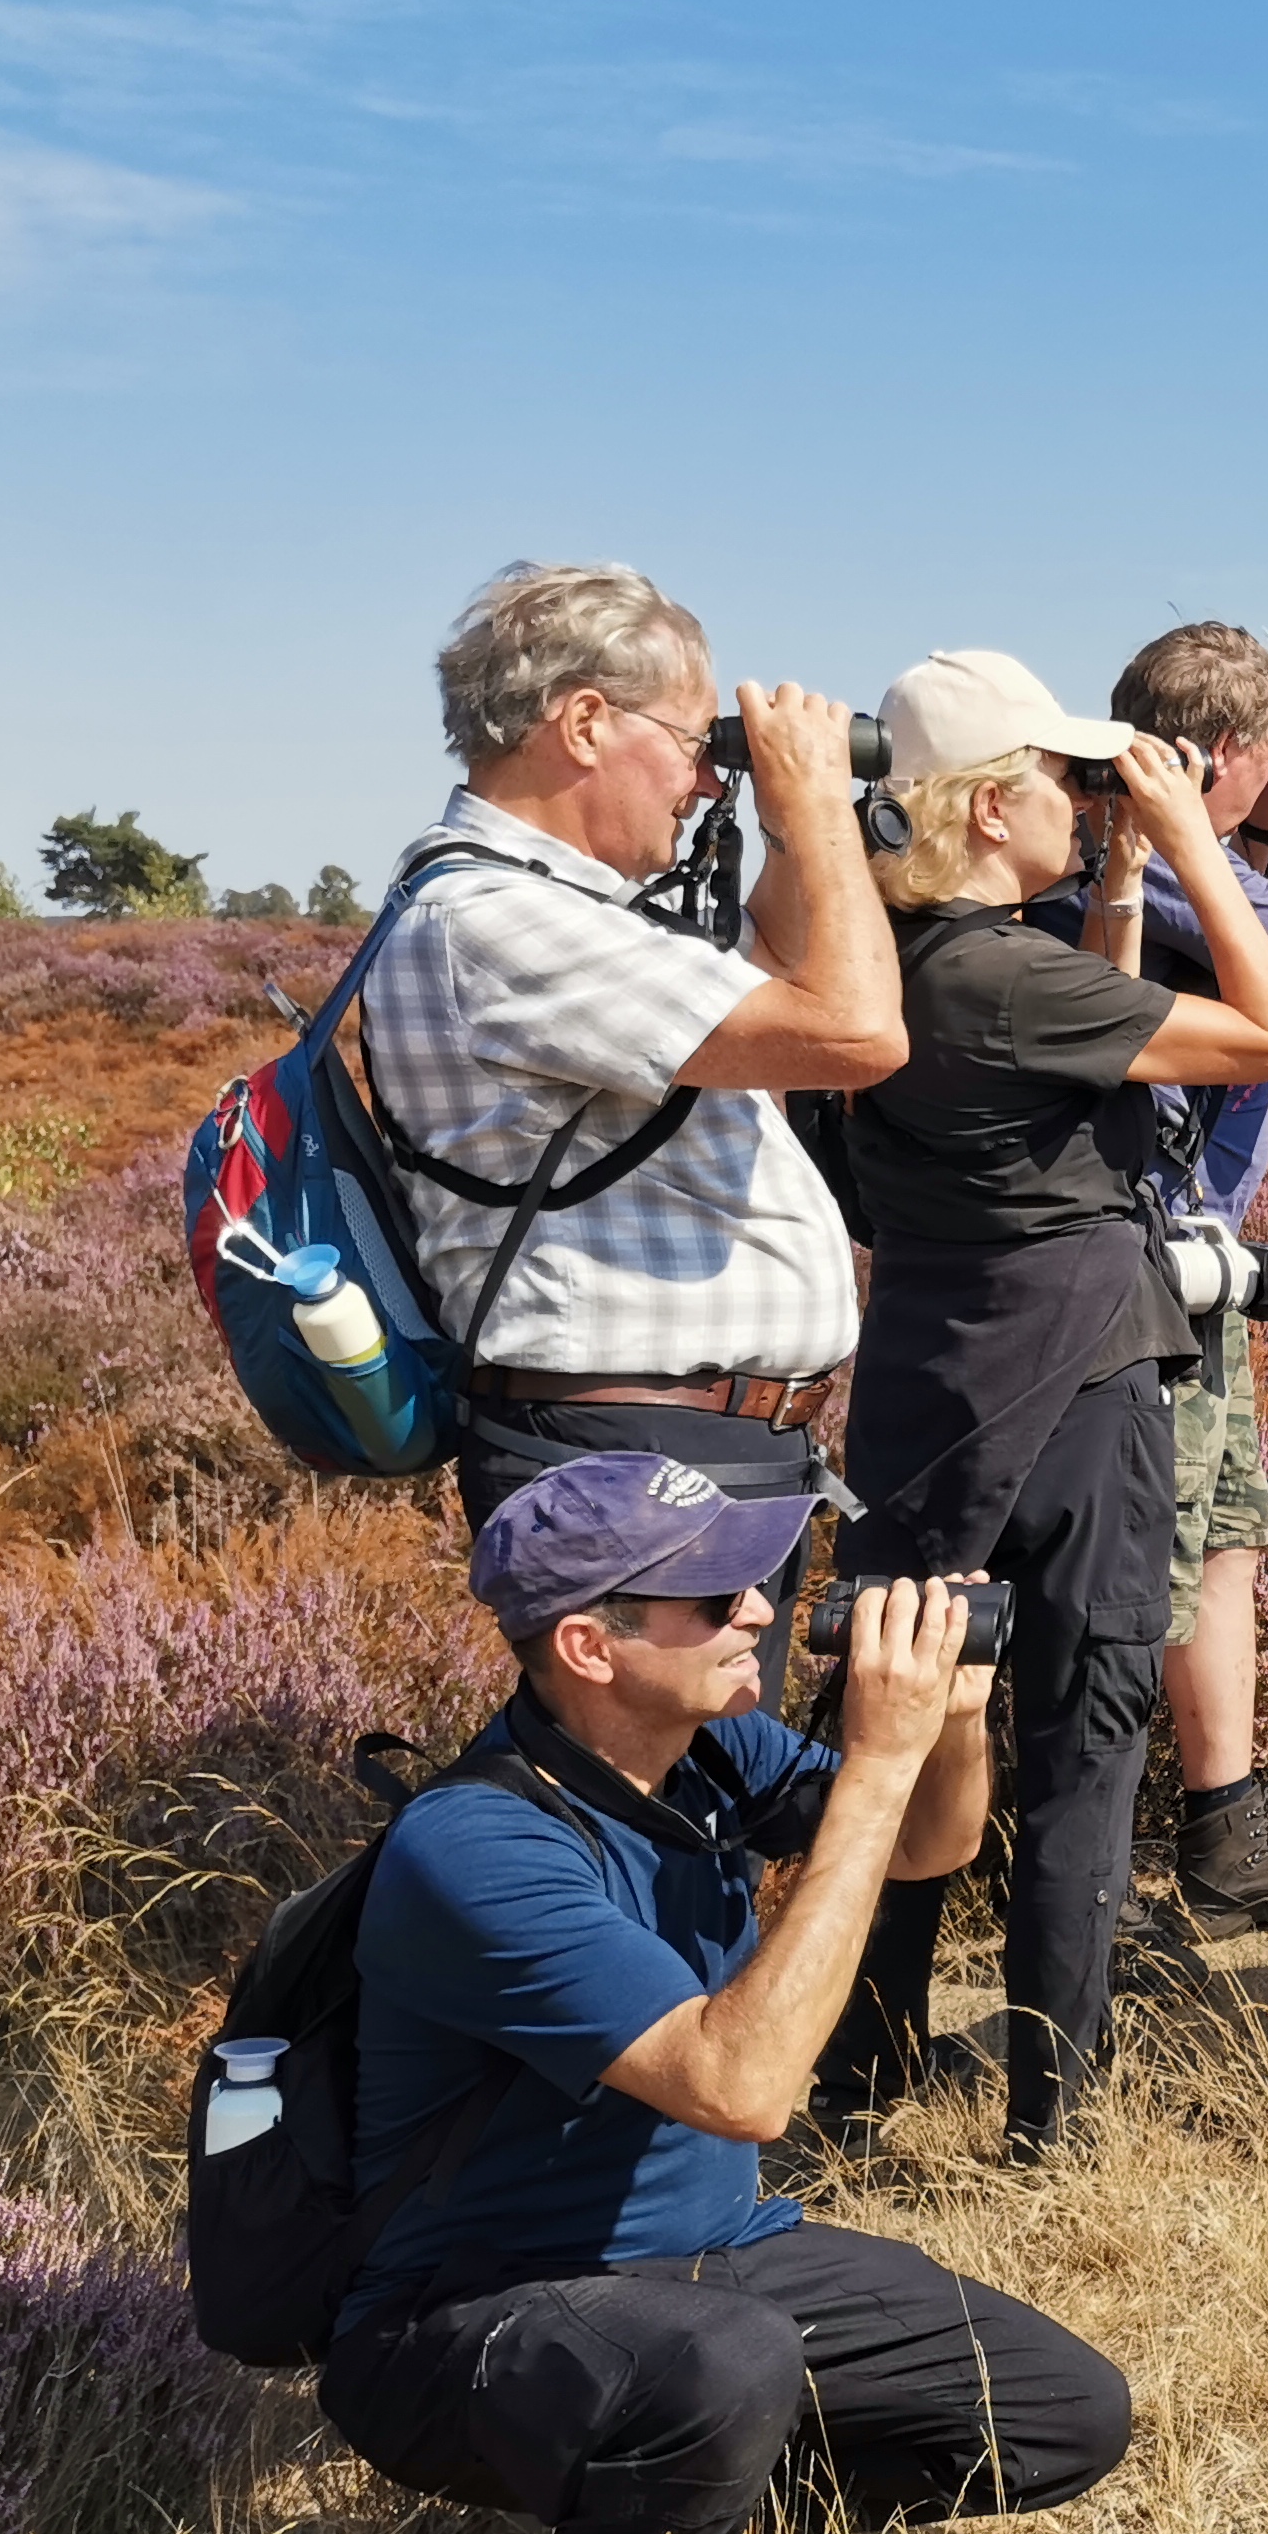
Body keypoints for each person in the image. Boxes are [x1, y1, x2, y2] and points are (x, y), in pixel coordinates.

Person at [320, 1454, 1128, 2534]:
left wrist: (951, 1724)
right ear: (589, 1646)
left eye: (754, 1579)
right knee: (724, 2362)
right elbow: (744, 2089)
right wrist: (874, 1762)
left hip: (711, 2260)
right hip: (468, 2316)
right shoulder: (477, 1845)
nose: (759, 1609)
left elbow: (932, 1846)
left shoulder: (706, 1749)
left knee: (1065, 2413)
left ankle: (691, 2493)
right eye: (712, 1597)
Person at [812, 650, 1268, 2162]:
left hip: (927, 1392)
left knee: (907, 1739)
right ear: (986, 806)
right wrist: (1202, 849)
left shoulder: (886, 966)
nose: (1082, 802)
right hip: (1081, 1391)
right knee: (1082, 1758)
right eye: (1059, 780)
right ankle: (1052, 2118)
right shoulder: (1004, 978)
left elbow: (1072, 1037)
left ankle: (862, 2074)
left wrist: (1126, 873)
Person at [370, 562, 903, 1702]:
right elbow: (857, 1032)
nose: (705, 777)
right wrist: (820, 809)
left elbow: (776, 977)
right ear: (584, 723)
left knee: (703, 1780)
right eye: (692, 741)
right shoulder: (495, 919)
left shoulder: (563, 914)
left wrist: (788, 828)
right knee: (660, 1783)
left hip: (679, 1446)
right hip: (635, 1453)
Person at [1048, 622, 1268, 1937]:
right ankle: (1088, 1879)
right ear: (1223, 755)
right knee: (1142, 1573)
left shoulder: (1172, 862)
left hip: (1196, 1274)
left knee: (1224, 1543)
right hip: (1139, 1280)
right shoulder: (1160, 867)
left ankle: (1226, 1827)